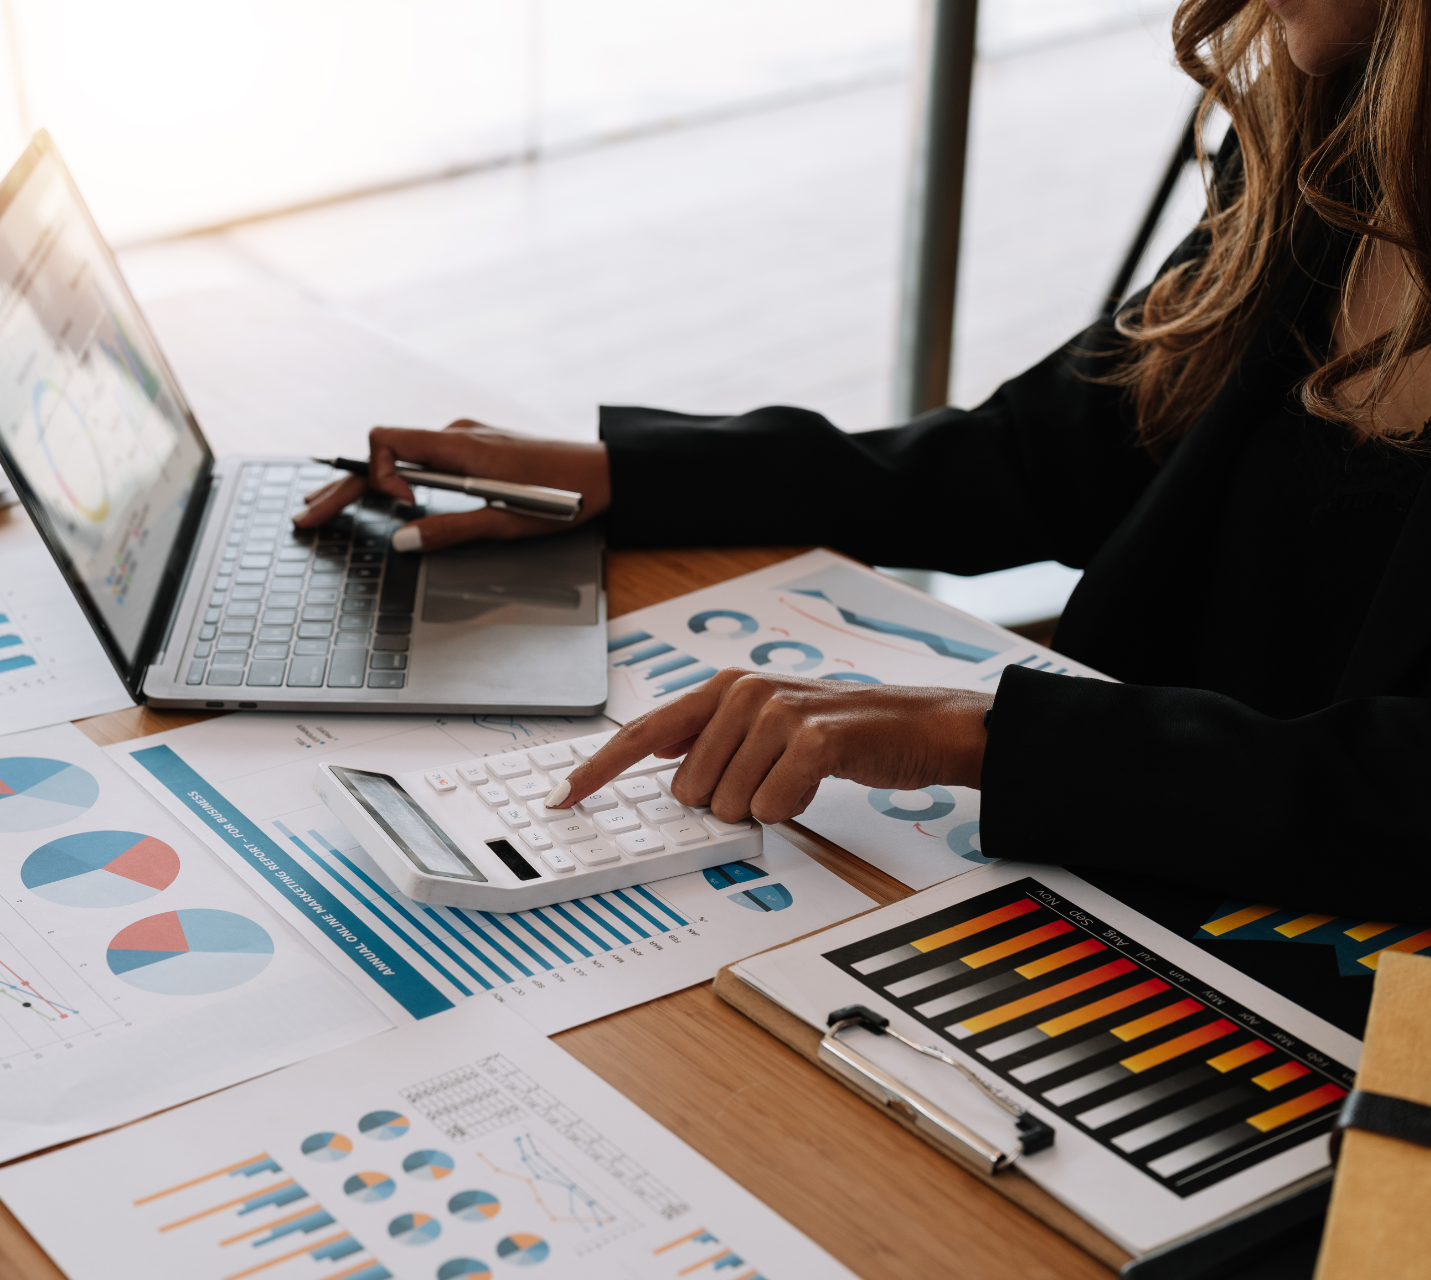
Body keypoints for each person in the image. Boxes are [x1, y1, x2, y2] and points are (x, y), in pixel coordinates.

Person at [293, 0, 1426, 982]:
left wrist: (986, 735)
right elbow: (1045, 459)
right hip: (1121, 884)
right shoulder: (1323, 149)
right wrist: (629, 475)